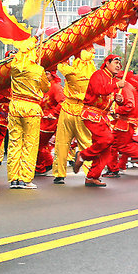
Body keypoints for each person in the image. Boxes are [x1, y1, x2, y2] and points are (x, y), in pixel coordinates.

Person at [74, 54, 122, 187]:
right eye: (116, 63)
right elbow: (98, 90)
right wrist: (116, 85)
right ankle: (82, 156)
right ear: (107, 63)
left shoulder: (114, 80)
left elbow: (111, 100)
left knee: (106, 149)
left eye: (119, 64)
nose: (118, 66)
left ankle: (92, 176)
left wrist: (119, 100)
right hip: (92, 113)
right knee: (107, 139)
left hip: (103, 116)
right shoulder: (98, 75)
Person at [7, 38, 49, 190]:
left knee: (14, 142)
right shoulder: (38, 70)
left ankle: (14, 178)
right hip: (31, 108)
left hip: (15, 107)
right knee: (30, 144)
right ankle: (25, 178)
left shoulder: (14, 67)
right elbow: (46, 88)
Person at [53, 50, 95, 185]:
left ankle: (59, 174)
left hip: (67, 110)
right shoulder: (93, 76)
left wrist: (69, 52)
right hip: (83, 111)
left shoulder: (72, 73)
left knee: (62, 142)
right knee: (86, 143)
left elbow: (60, 64)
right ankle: (90, 173)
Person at [35, 70, 64, 176]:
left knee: (39, 144)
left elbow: (62, 101)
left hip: (49, 122)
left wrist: (54, 113)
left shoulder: (56, 87)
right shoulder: (43, 86)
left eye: (47, 74)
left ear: (52, 75)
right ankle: (47, 163)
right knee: (41, 144)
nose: (45, 76)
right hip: (41, 119)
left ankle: (41, 167)